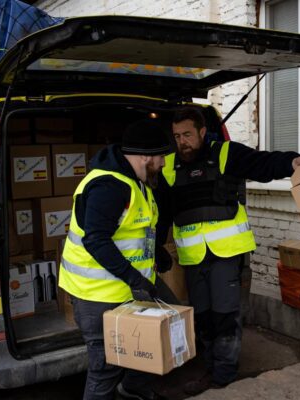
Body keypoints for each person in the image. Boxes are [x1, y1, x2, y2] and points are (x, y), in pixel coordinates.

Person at [155, 107, 300, 395]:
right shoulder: (168, 166)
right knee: (203, 316)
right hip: (193, 256)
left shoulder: (226, 154)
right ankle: (211, 368)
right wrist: (156, 247)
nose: (182, 142)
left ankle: (223, 376)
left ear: (202, 132)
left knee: (225, 315)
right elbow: (162, 212)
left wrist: (291, 161)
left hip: (227, 253)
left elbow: (261, 164)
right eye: (177, 136)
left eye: (188, 134)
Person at [58, 119, 171, 400]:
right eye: (161, 156)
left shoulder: (137, 180)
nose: (164, 163)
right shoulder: (109, 186)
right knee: (105, 367)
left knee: (147, 345)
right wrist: (135, 278)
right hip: (97, 294)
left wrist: (156, 251)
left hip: (127, 290)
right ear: (145, 155)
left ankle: (133, 390)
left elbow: (135, 227)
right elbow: (96, 240)